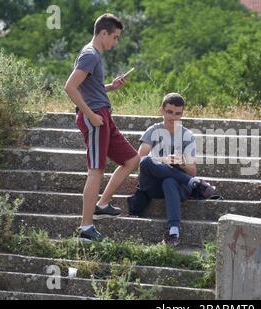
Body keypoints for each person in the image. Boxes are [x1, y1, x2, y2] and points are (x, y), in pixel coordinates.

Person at [64, 13, 140, 242]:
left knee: (132, 160)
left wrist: (110, 87)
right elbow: (70, 87)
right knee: (96, 170)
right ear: (103, 33)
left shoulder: (94, 55)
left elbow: (89, 87)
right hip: (96, 117)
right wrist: (91, 115)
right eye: (114, 37)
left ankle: (102, 203)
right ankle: (86, 229)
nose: (115, 42)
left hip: (103, 115)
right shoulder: (90, 54)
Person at [127, 93, 215, 247]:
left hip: (175, 186)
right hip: (152, 185)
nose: (173, 117)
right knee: (147, 160)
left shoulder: (187, 136)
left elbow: (192, 169)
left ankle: (174, 231)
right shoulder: (153, 130)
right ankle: (194, 184)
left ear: (182, 114)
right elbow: (139, 160)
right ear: (162, 110)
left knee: (169, 181)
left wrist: (181, 163)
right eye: (169, 112)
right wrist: (163, 160)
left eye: (178, 113)